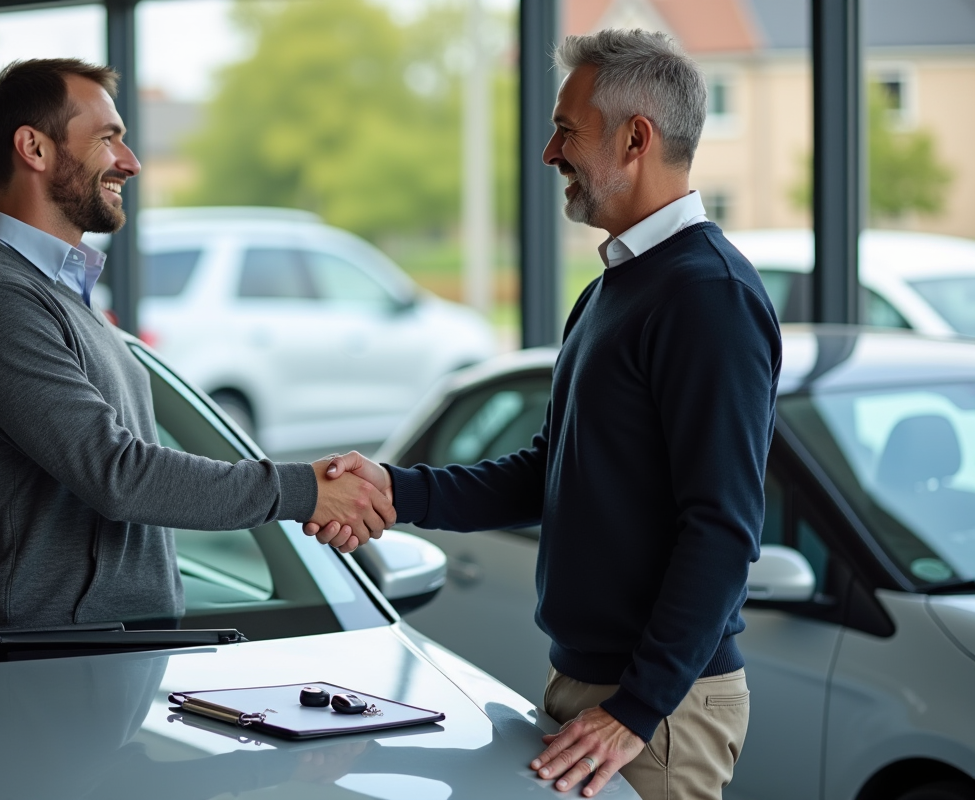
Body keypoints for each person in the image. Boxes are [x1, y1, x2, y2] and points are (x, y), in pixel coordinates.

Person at [309, 29, 781, 800]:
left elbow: (723, 528)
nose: (548, 153)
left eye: (567, 129)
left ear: (636, 138)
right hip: (594, 691)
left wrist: (637, 707)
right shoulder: (610, 290)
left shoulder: (708, 296)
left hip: (653, 715)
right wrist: (392, 490)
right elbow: (549, 474)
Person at [0, 58, 392, 631]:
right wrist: (303, 491)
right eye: (107, 139)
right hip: (50, 674)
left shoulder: (59, 292)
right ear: (34, 149)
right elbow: (120, 476)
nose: (132, 162)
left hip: (111, 661)